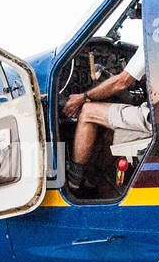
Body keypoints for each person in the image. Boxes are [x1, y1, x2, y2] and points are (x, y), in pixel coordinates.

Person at [61, 43, 151, 195]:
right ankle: (92, 181)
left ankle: (73, 185)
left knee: (88, 112)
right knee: (110, 133)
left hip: (152, 116)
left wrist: (83, 97)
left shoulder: (152, 41)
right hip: (158, 114)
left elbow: (121, 82)